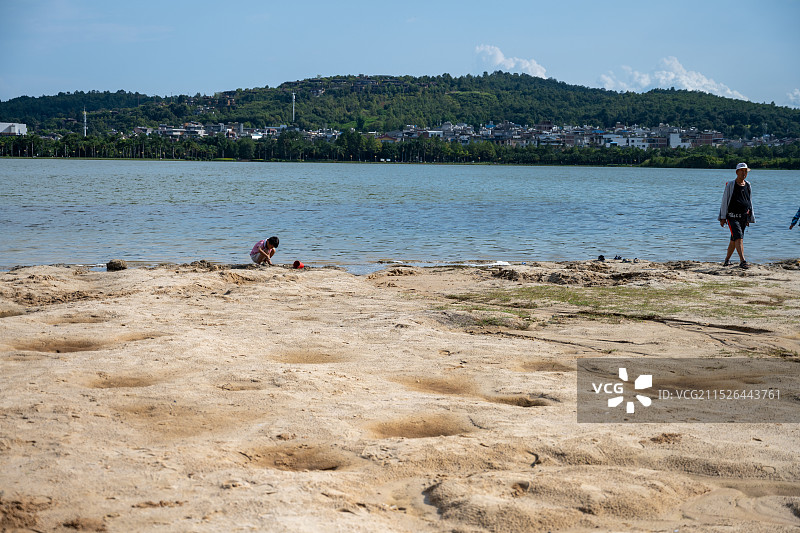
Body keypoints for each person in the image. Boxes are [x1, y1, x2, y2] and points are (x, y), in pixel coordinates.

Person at [719, 163, 754, 268]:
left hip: (743, 216)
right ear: (736, 172)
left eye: (745, 171)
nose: (744, 173)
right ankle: (743, 261)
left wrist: (749, 217)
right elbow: (724, 200)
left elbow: (749, 201)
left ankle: (726, 260)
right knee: (739, 237)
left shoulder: (748, 185)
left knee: (734, 239)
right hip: (732, 216)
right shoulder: (730, 185)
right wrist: (722, 217)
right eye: (742, 171)